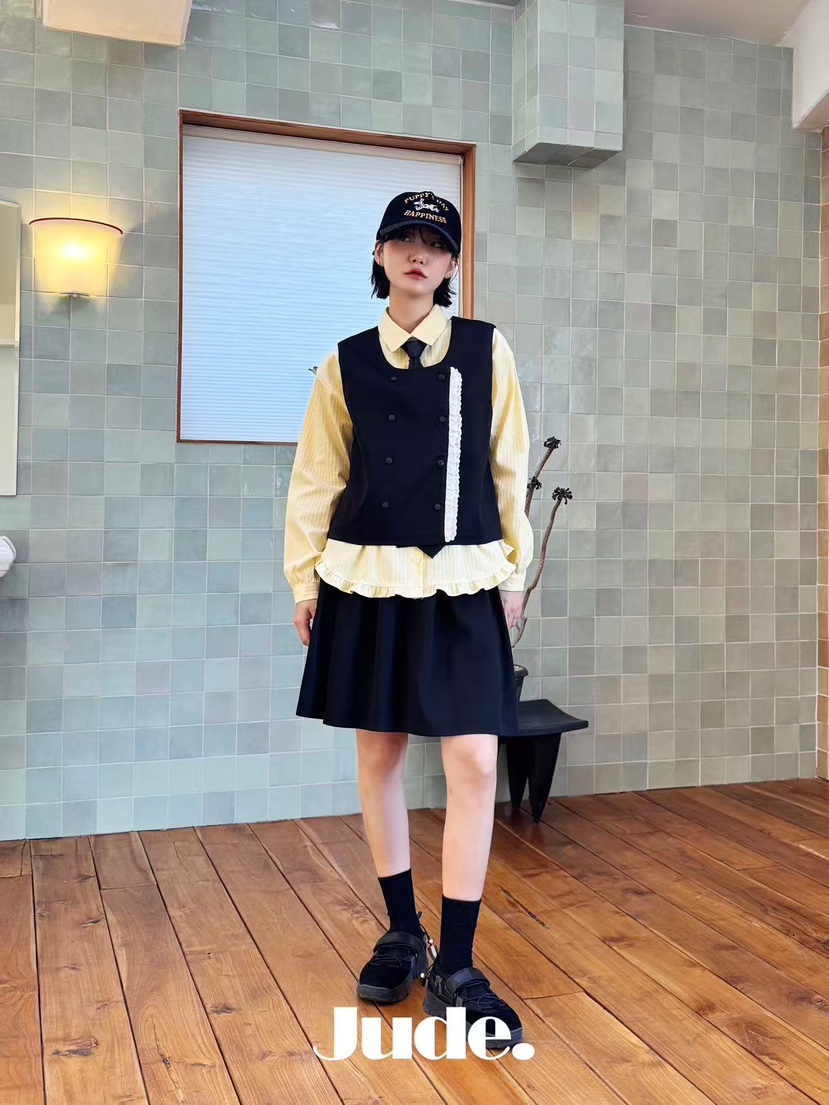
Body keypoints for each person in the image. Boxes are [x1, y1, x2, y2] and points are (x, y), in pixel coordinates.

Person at [283, 189, 534, 1050]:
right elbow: (316, 475)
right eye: (403, 240)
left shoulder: (486, 349)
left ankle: (457, 965)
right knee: (378, 756)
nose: (418, 254)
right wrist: (304, 580)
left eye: (434, 242)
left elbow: (508, 466)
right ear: (380, 255)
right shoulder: (344, 361)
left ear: (453, 263)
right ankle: (402, 933)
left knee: (473, 759)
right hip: (366, 577)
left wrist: (513, 574)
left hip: (464, 577)